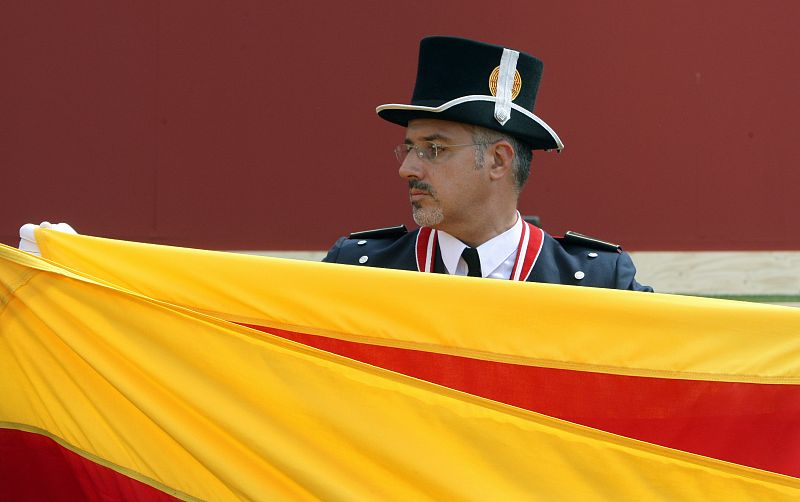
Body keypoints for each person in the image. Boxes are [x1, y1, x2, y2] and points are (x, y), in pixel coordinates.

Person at [323, 36, 652, 291]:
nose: (406, 169)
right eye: (409, 148)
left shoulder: (598, 283)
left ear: (498, 160)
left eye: (434, 149)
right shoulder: (355, 271)